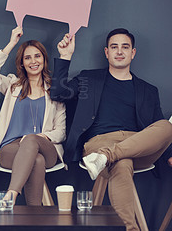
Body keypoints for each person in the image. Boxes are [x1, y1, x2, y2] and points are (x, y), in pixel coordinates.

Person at [51, 28, 172, 230]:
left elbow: (157, 127)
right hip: (100, 141)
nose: (119, 51)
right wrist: (65, 56)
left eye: (125, 47)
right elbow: (58, 93)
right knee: (122, 162)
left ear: (133, 52)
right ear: (106, 52)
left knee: (167, 127)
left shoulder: (148, 90)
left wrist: (169, 155)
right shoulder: (88, 79)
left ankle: (106, 157)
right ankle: (130, 228)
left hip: (137, 144)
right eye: (114, 47)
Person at [0, 27, 66, 206]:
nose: (33, 61)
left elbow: (61, 132)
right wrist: (12, 42)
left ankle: (11, 194)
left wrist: (40, 137)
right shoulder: (12, 86)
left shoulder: (55, 90)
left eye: (37, 56)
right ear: (21, 63)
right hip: (11, 149)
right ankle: (34, 215)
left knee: (31, 141)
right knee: (36, 160)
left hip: (46, 146)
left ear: (44, 59)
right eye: (27, 57)